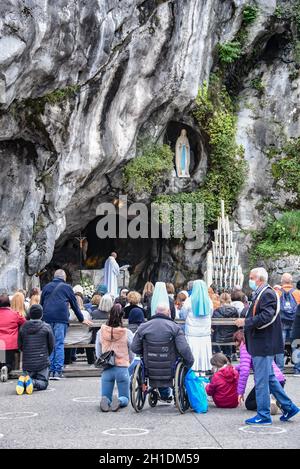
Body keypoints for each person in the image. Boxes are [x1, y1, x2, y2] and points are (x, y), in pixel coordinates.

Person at [235, 267, 299, 425]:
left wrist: (246, 322)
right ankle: (289, 407)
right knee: (269, 378)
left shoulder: (267, 293)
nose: (249, 280)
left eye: (251, 277)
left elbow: (266, 316)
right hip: (262, 343)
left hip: (263, 344)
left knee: (262, 380)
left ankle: (263, 415)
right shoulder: (263, 293)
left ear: (258, 279)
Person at [131, 302, 194, 402]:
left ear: (155, 312)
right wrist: (190, 361)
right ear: (168, 312)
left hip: (149, 366)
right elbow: (183, 349)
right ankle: (169, 394)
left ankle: (163, 393)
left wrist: (144, 352)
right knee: (182, 363)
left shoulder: (143, 327)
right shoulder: (175, 328)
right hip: (170, 367)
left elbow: (134, 348)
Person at [41, 269, 92, 380]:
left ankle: (48, 371)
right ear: (64, 278)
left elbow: (41, 304)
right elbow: (75, 305)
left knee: (49, 345)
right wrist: (81, 318)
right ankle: (57, 371)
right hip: (60, 318)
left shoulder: (46, 287)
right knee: (58, 344)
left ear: (54, 277)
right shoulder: (67, 288)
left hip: (47, 318)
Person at [233, 330, 285, 415]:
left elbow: (245, 371)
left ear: (239, 340)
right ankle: (277, 400)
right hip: (280, 379)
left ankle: (269, 401)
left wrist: (240, 392)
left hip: (266, 380)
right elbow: (246, 365)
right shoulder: (258, 344)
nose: (235, 344)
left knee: (249, 403)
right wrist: (234, 368)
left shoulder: (245, 346)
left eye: (235, 341)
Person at [96, 304, 134, 412]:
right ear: (122, 317)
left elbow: (98, 351)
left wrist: (102, 360)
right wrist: (128, 361)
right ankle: (120, 401)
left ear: (109, 315)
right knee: (125, 397)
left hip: (107, 367)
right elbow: (132, 351)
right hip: (122, 367)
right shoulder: (127, 333)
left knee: (105, 395)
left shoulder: (101, 332)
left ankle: (106, 400)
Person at [16, 305, 54, 394]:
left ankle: (25, 381)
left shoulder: (23, 327)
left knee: (28, 377)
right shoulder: (47, 327)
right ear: (41, 314)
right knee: (43, 383)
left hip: (28, 362)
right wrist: (46, 354)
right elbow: (51, 345)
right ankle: (32, 382)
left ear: (29, 314)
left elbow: (20, 345)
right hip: (42, 361)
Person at [182, 280, 213, 374]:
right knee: (203, 352)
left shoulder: (189, 300)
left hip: (192, 333)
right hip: (204, 333)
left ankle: (192, 370)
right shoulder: (209, 301)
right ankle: (203, 370)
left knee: (192, 351)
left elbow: (183, 314)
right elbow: (211, 314)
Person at [275, 273, 300, 373]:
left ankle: (279, 370)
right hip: (296, 323)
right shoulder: (298, 293)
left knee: (280, 346)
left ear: (281, 281)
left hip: (281, 322)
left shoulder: (277, 293)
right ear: (291, 281)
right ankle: (297, 369)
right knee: (296, 345)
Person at [0, 295, 26, 382]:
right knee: (9, 362)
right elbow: (24, 323)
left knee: (1, 359)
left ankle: (2, 368)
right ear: (9, 303)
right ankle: (6, 368)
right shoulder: (14, 314)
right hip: (11, 343)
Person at [64, 295, 94, 365]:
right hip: (84, 338)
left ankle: (67, 361)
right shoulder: (86, 313)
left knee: (68, 338)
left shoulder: (66, 313)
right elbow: (90, 325)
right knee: (90, 337)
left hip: (68, 339)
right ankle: (91, 361)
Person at [212, 293, 239, 360]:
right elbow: (237, 325)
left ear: (220, 301)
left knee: (215, 334)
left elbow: (213, 326)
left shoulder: (216, 311)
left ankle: (219, 355)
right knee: (228, 334)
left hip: (218, 337)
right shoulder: (235, 310)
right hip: (231, 337)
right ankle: (228, 356)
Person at [291, 304, 300, 376]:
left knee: (296, 351)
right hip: (297, 333)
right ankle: (297, 369)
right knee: (297, 350)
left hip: (296, 332)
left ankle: (297, 370)